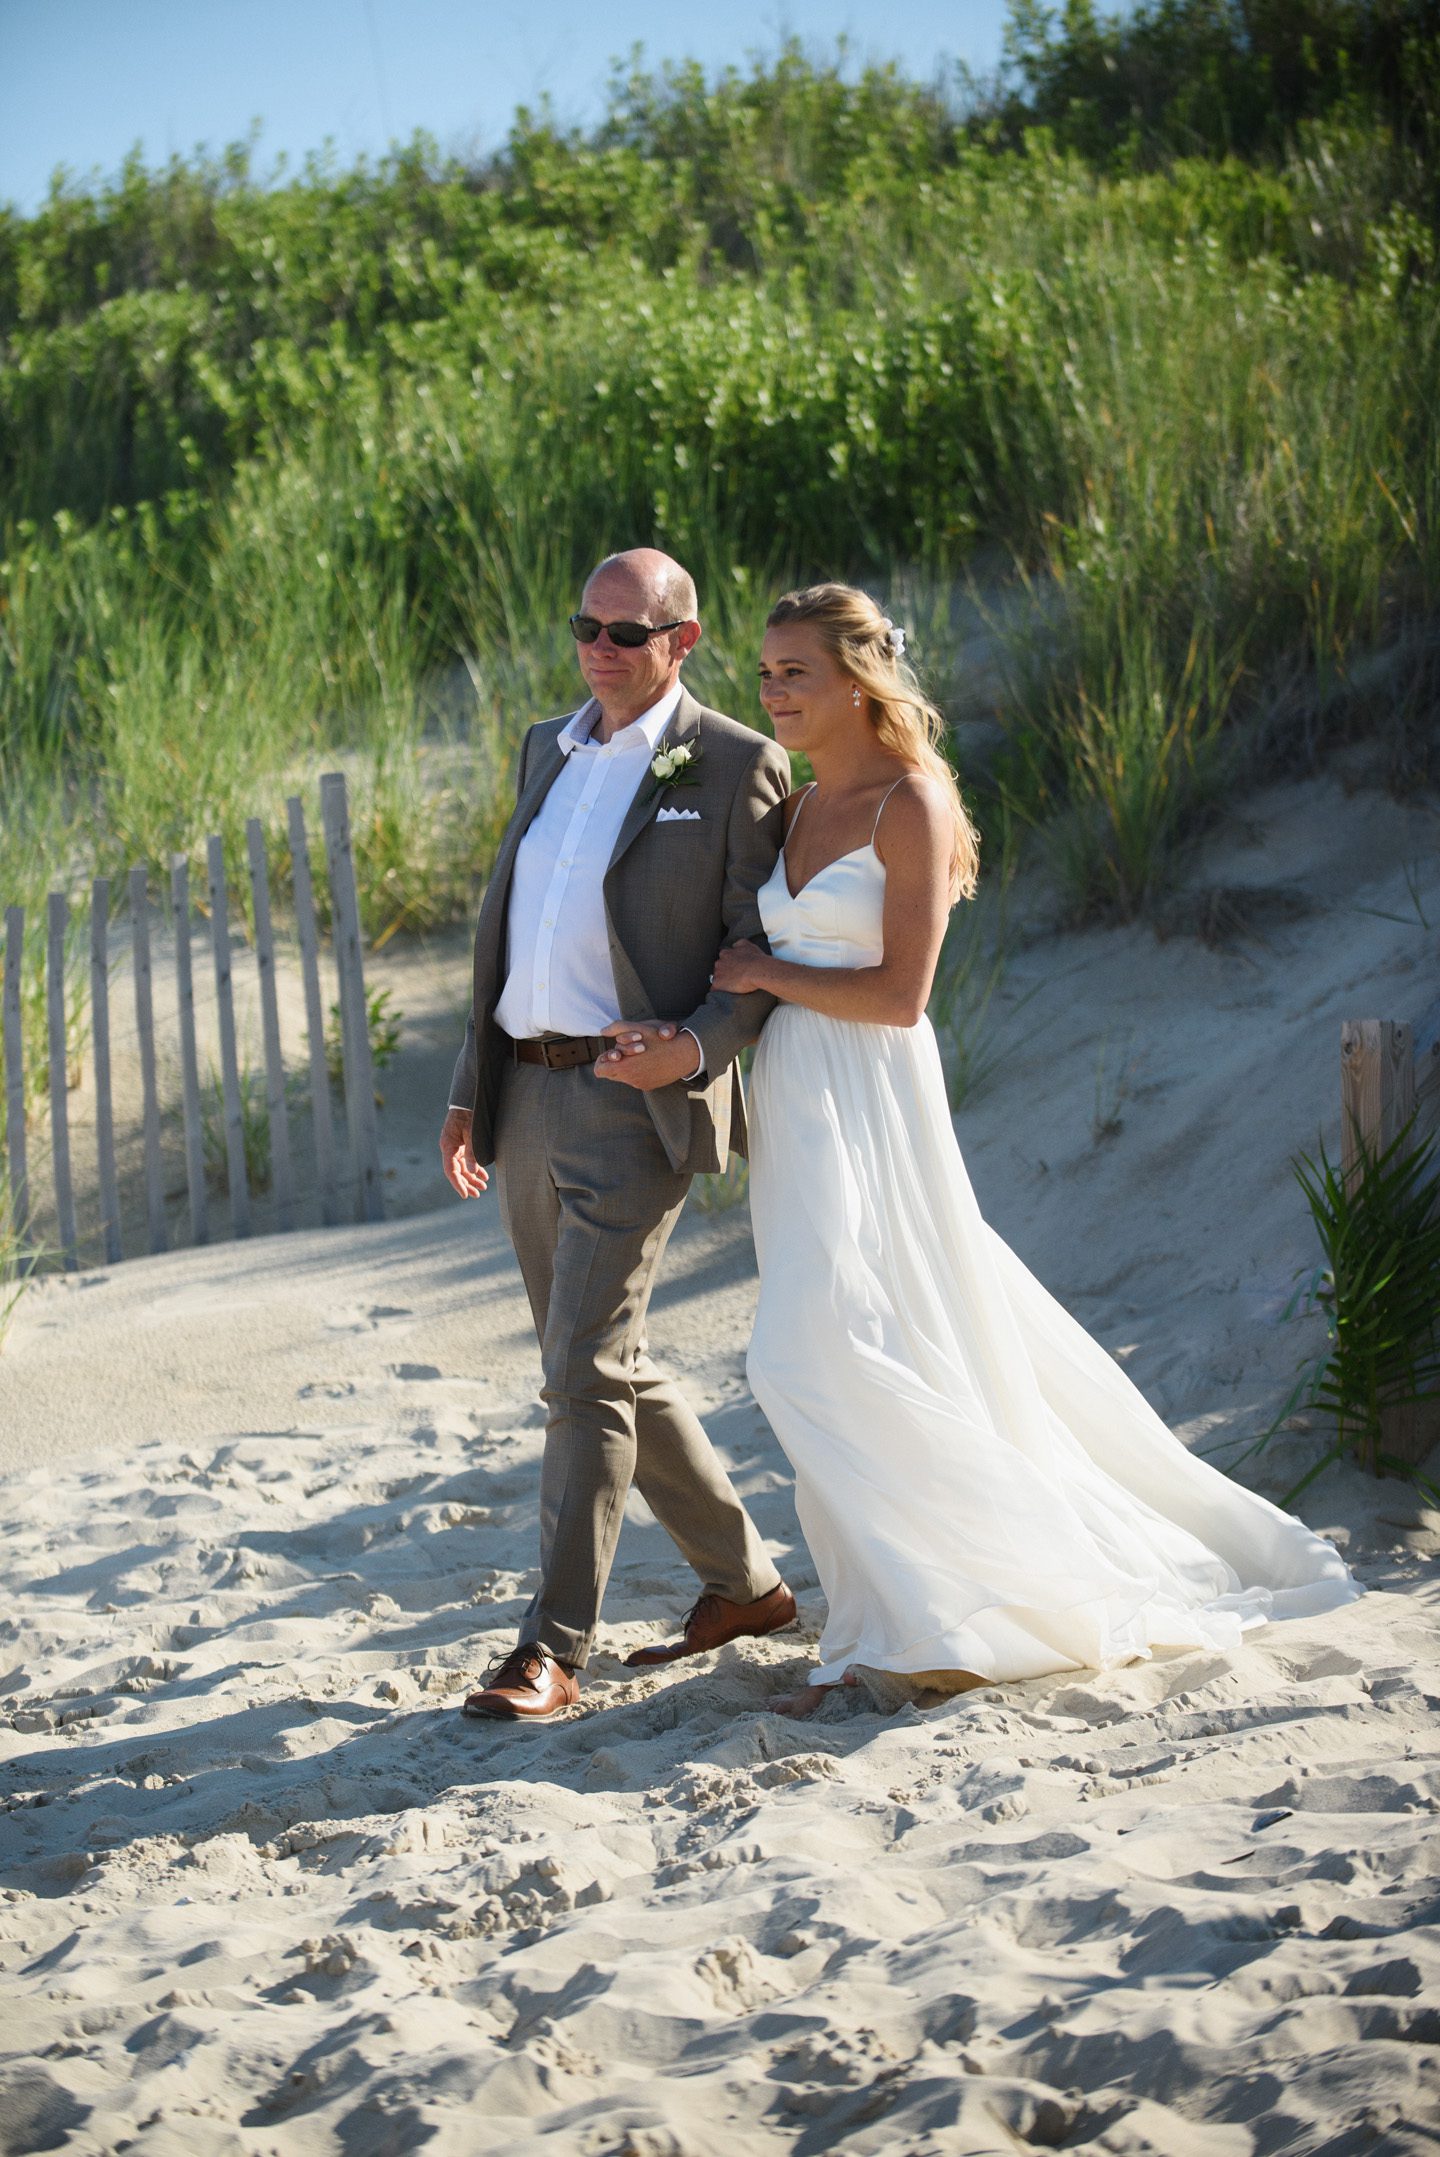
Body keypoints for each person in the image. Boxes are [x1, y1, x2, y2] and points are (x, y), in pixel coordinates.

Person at [685, 581, 1358, 1716]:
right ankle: (890, 1623)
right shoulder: (794, 809)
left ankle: (926, 1618)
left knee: (811, 1351)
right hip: (797, 1097)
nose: (772, 693)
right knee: (865, 1338)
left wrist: (764, 976)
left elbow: (902, 996)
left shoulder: (915, 800)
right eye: (763, 674)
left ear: (860, 680)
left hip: (874, 1087)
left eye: (793, 672)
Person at [440, 548, 797, 1723]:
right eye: (587, 624)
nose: (602, 647)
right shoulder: (548, 743)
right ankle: (744, 1586)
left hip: (631, 1098)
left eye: (629, 633)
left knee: (579, 1373)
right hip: (526, 1086)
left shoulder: (738, 763)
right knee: (600, 1363)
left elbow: (757, 960)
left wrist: (691, 1051)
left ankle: (552, 1651)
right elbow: (511, 930)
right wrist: (467, 1088)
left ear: (683, 640)